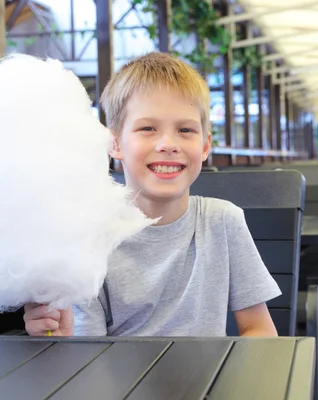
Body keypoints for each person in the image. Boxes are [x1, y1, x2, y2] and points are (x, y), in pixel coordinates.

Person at [23, 52, 281, 337]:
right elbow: (88, 358)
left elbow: (259, 329)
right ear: (115, 143)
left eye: (185, 129)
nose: (168, 144)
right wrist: (61, 340)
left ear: (205, 146)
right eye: (148, 128)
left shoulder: (223, 222)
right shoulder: (89, 238)